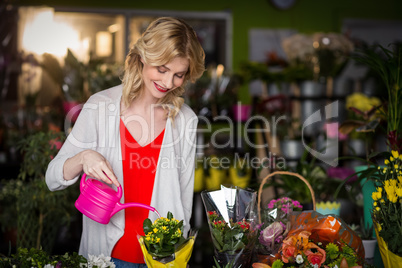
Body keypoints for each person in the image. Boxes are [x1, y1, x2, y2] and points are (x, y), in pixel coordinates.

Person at [46, 17, 205, 267]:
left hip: (160, 260)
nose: (167, 82)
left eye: (178, 75)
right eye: (161, 69)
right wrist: (84, 157)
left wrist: (177, 257)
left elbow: (184, 201)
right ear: (143, 57)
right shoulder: (101, 106)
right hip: (105, 258)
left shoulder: (185, 120)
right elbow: (52, 178)